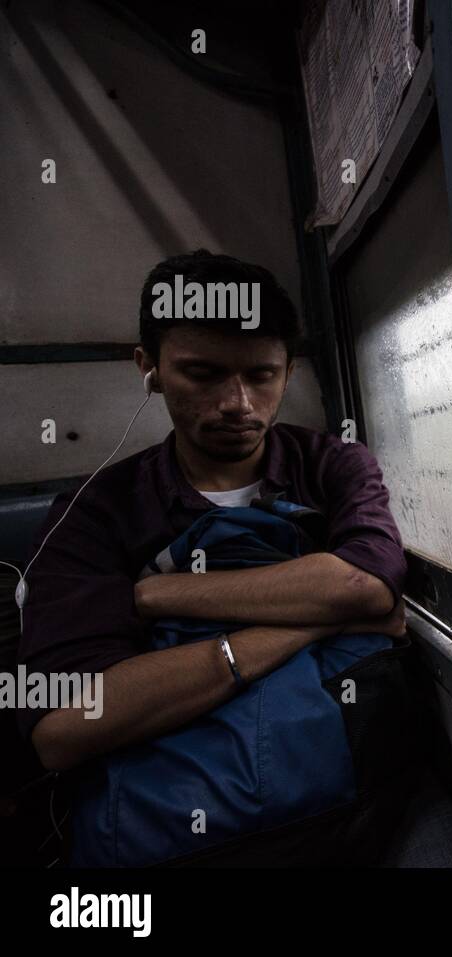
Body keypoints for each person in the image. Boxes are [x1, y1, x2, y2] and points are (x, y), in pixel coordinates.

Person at [16, 249, 416, 863]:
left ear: (288, 369)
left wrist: (158, 595)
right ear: (148, 368)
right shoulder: (96, 513)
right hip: (165, 819)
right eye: (203, 375)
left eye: (262, 375)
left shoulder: (332, 466)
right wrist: (311, 620)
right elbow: (65, 726)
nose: (239, 404)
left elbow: (366, 584)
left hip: (341, 801)